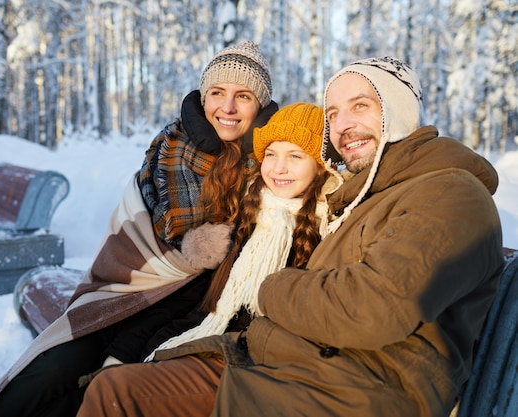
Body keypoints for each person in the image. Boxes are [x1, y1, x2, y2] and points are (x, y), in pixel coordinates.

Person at [75, 56, 505, 417]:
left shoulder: (448, 192)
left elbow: (371, 308)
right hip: (292, 364)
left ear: (398, 111)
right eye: (333, 114)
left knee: (117, 396)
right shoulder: (364, 196)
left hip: (348, 391)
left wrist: (271, 287)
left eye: (361, 106)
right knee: (113, 389)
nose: (344, 125)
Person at [0, 40, 278, 417]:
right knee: (47, 374)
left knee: (94, 392)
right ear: (202, 96)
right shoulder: (169, 150)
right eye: (217, 92)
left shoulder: (271, 170)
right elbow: (132, 241)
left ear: (260, 106)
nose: (227, 108)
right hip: (121, 295)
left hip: (183, 319)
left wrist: (122, 353)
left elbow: (217, 283)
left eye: (243, 96)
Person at [144, 102, 340, 360]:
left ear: (320, 165)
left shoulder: (331, 227)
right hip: (211, 335)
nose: (279, 168)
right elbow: (205, 303)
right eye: (271, 154)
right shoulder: (251, 209)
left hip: (255, 358)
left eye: (295, 156)